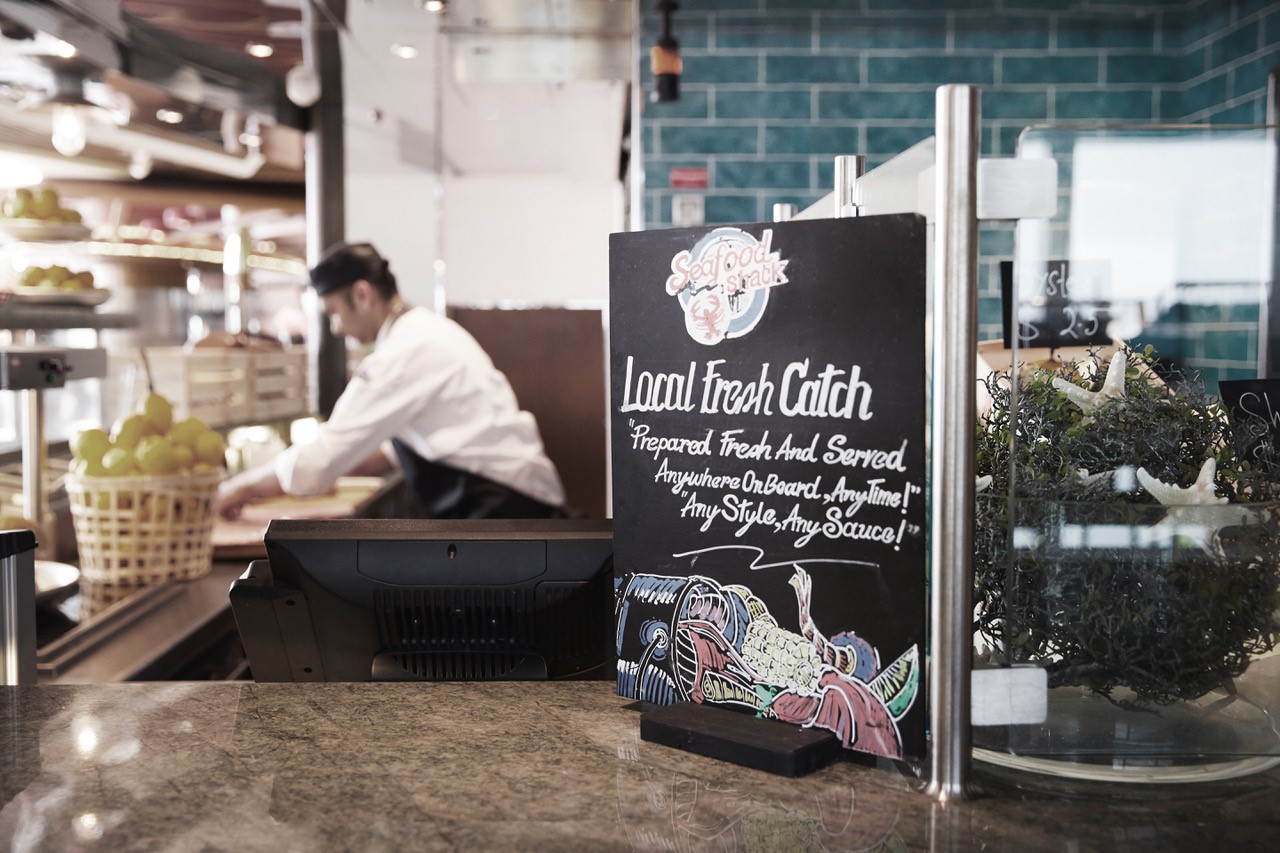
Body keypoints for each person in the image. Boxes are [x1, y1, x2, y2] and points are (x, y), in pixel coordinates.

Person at [216, 241, 568, 520]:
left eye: (334, 313)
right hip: (518, 505)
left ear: (362, 295)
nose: (336, 328)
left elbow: (314, 466)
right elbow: (389, 451)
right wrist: (338, 463)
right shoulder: (427, 330)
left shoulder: (404, 351)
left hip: (505, 513)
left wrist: (241, 488)